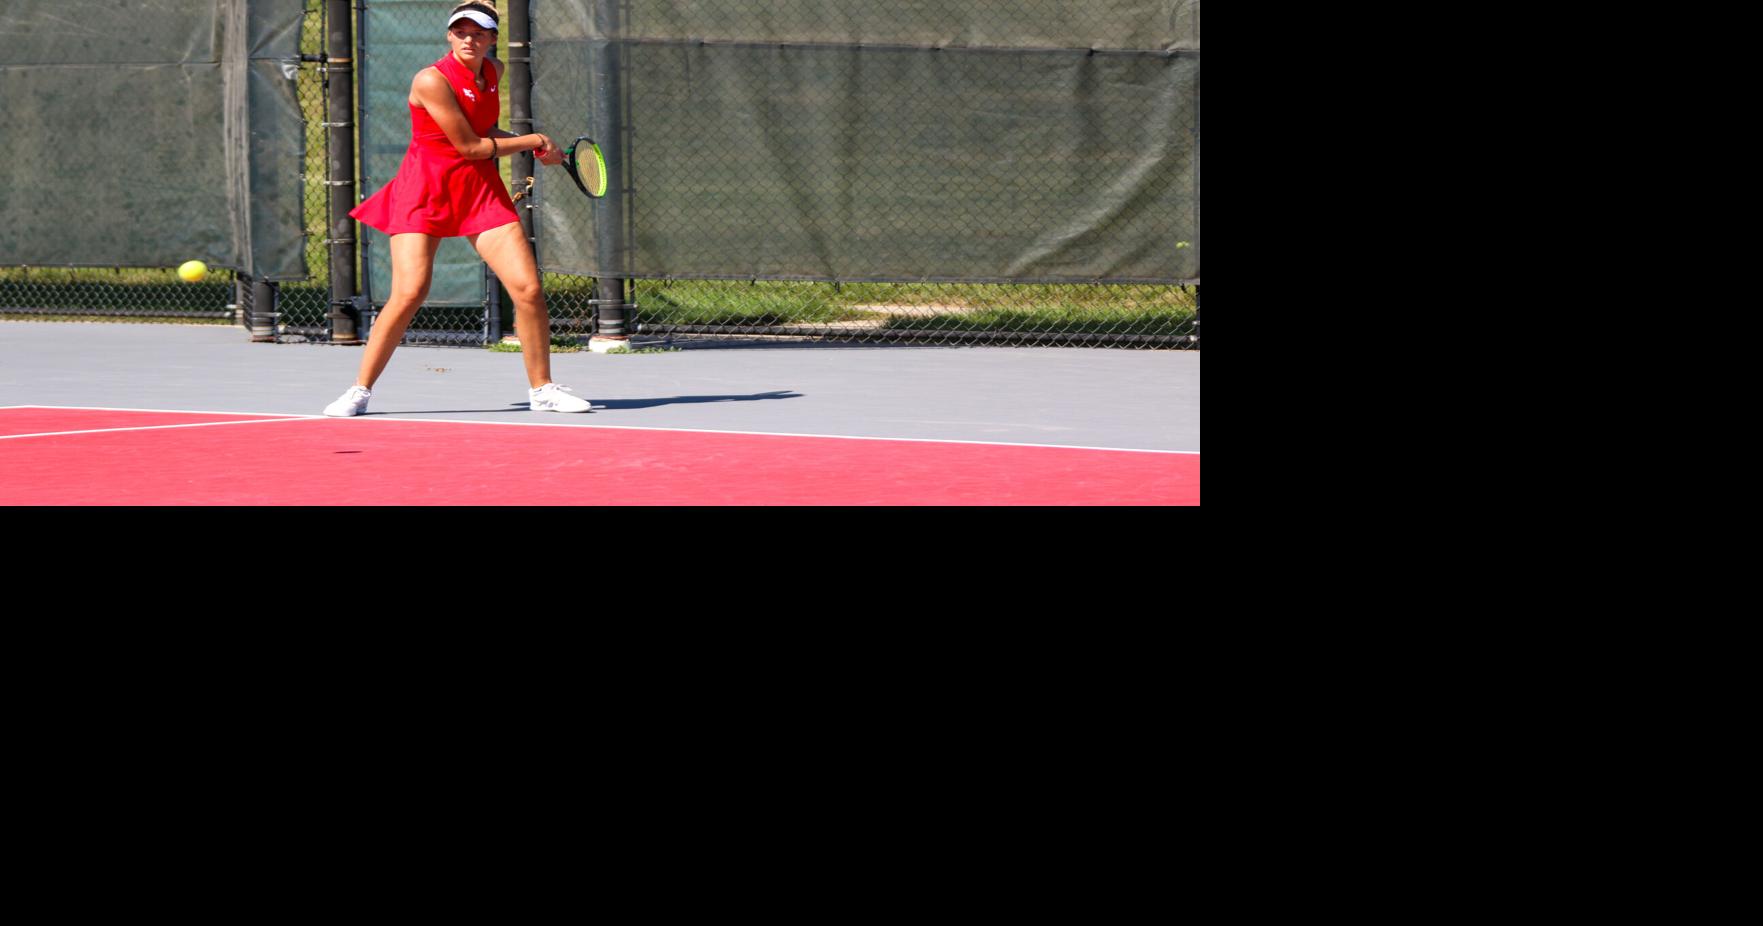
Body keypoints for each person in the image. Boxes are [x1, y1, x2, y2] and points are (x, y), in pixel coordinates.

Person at [325, 1, 591, 416]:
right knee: (409, 292)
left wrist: (538, 146)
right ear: (449, 35)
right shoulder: (431, 80)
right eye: (462, 31)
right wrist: (535, 140)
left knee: (528, 289)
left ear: (492, 38)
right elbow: (469, 147)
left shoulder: (493, 71)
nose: (470, 39)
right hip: (424, 191)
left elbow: (482, 131)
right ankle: (359, 390)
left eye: (479, 32)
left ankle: (542, 389)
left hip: (480, 191)